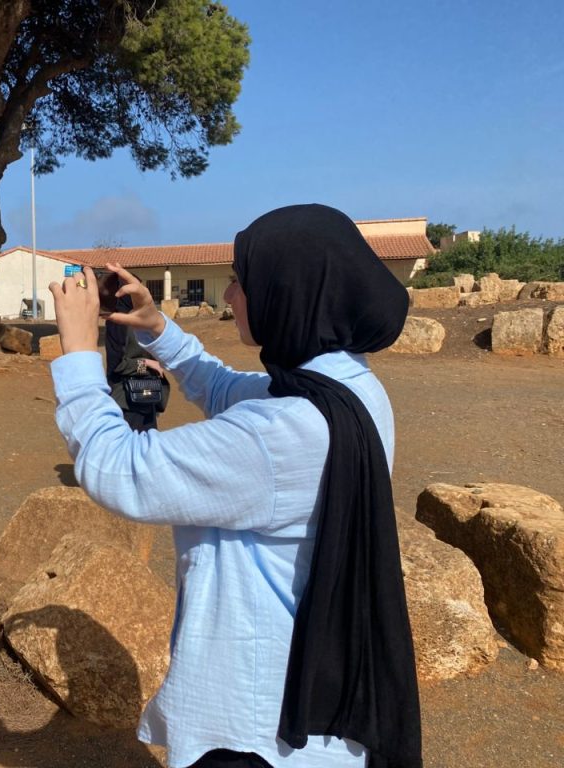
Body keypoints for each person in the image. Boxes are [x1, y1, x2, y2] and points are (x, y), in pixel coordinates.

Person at [48, 204, 421, 768]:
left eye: (241, 282)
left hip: (253, 728)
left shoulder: (283, 432)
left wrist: (78, 354)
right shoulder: (347, 389)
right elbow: (226, 390)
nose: (228, 296)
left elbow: (119, 469)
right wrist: (156, 328)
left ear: (287, 293)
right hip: (305, 697)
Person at [103, 283, 170, 432]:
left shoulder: (144, 321)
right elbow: (118, 365)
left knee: (149, 442)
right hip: (126, 400)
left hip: (147, 395)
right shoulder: (117, 324)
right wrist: (145, 363)